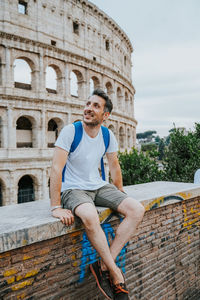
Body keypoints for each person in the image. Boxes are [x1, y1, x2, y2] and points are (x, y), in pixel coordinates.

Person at [50, 89, 145, 300]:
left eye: (95, 106)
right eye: (88, 104)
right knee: (90, 216)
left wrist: (119, 192)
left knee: (137, 209)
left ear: (105, 115)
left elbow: (114, 164)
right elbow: (56, 169)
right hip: (73, 189)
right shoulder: (70, 131)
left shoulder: (106, 134)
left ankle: (103, 264)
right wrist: (56, 207)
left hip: (99, 186)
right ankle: (116, 274)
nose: (88, 109)